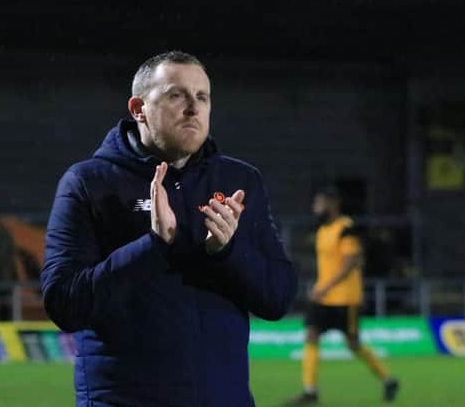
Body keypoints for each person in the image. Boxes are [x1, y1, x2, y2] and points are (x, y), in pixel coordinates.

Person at [41, 51, 298, 407]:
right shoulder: (89, 183)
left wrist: (226, 252)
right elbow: (65, 305)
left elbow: (278, 298)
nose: (194, 108)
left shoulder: (240, 180)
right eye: (177, 95)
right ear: (138, 108)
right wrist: (154, 247)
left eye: (202, 97)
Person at [288, 186, 399, 404]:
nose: (315, 208)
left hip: (346, 298)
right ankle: (310, 390)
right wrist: (322, 289)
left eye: (319, 204)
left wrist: (325, 286)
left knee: (353, 344)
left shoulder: (346, 228)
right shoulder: (322, 232)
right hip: (324, 297)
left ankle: (388, 379)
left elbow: (350, 263)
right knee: (311, 334)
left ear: (332, 204)